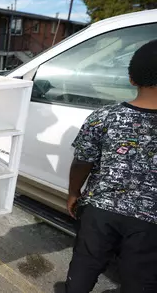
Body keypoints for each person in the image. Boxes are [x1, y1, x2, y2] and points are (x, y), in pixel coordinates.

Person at [65, 39, 157, 293]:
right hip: (150, 221)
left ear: (131, 78)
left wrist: (74, 192)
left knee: (84, 266)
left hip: (100, 210)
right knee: (142, 280)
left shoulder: (104, 116)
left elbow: (83, 160)